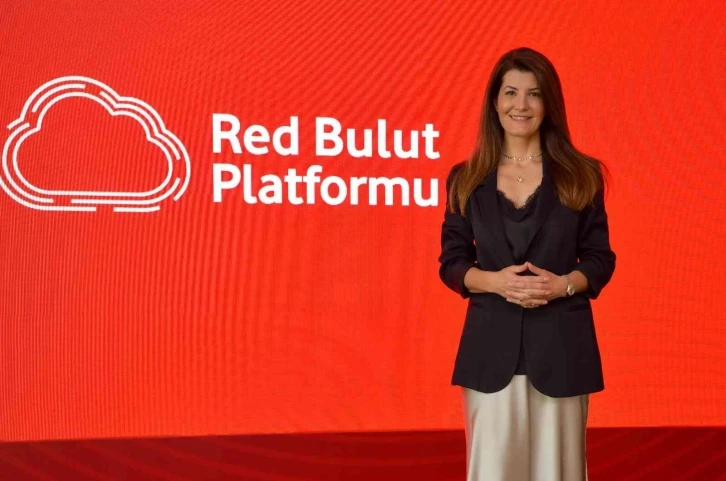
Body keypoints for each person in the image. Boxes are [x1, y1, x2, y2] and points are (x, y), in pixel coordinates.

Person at [437, 47, 616, 481]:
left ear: (549, 103)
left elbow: (599, 259)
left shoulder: (582, 174)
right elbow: (452, 262)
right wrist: (496, 282)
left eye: (534, 94)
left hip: (563, 351)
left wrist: (563, 285)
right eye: (511, 92)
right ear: (494, 102)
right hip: (489, 354)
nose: (521, 105)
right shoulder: (466, 179)